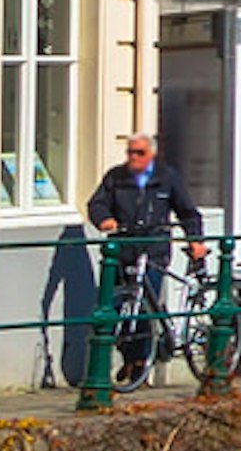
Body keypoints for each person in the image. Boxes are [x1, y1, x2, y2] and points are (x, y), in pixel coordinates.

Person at [84, 132, 206, 383]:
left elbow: (187, 211)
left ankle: (140, 362)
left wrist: (195, 239)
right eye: (130, 152)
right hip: (122, 251)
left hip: (153, 250)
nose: (133, 158)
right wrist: (104, 220)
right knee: (114, 307)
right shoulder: (116, 177)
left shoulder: (166, 177)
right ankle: (130, 356)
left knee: (143, 308)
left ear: (151, 154)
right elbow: (96, 204)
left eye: (139, 153)